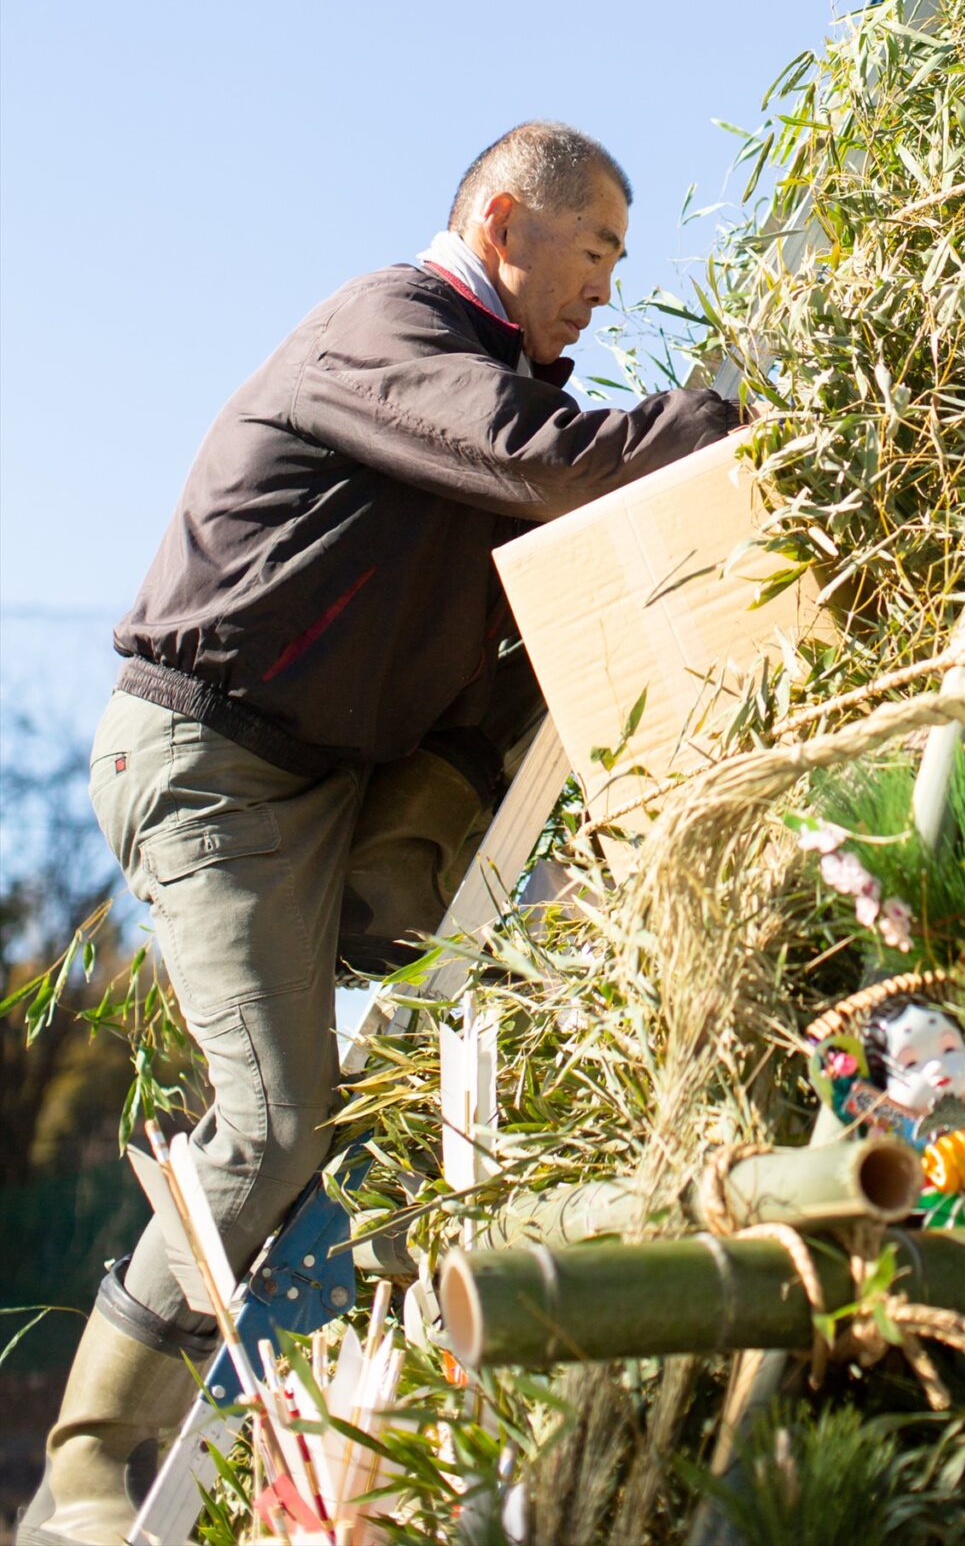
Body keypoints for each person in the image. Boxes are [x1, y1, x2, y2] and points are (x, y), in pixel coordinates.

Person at [21, 120, 737, 1546]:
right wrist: (731, 409)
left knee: (556, 625)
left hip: (341, 786)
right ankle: (86, 1466)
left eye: (616, 263)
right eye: (589, 251)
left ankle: (399, 918)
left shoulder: (488, 371)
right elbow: (546, 469)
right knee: (282, 1116)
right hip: (216, 767)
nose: (603, 288)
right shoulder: (390, 329)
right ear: (498, 224)